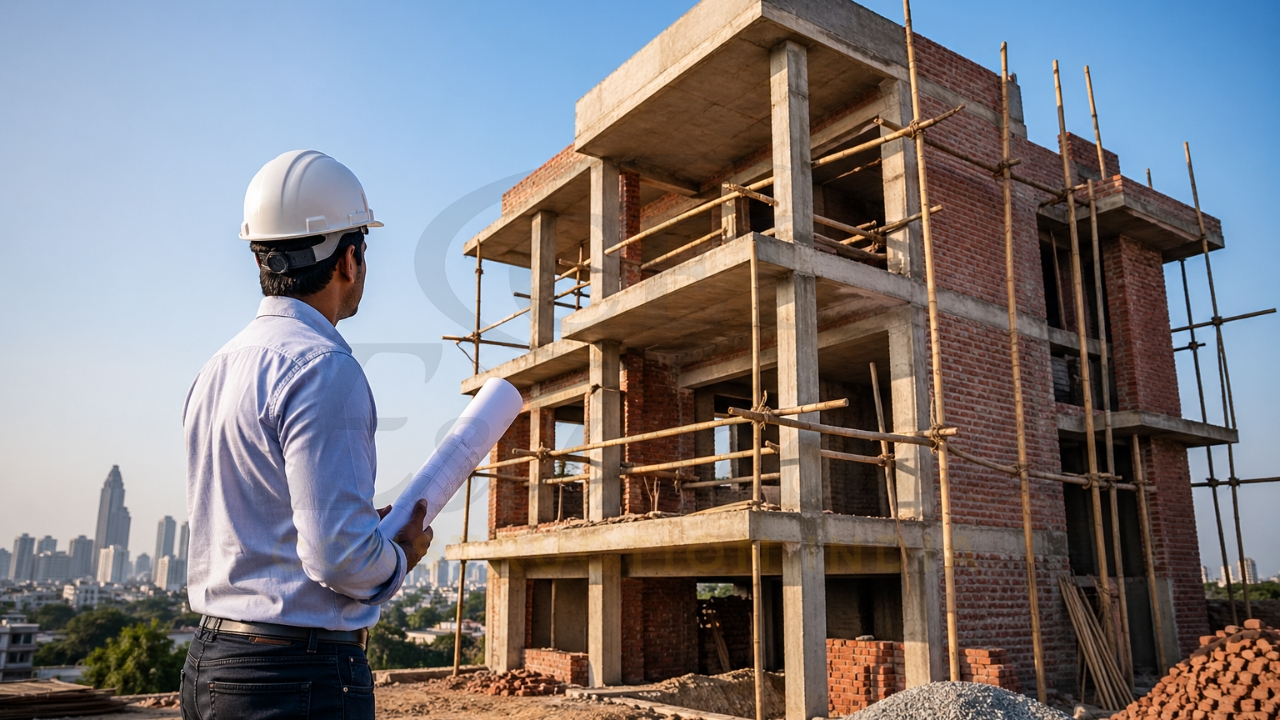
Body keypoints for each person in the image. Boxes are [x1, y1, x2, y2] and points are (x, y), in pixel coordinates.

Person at [180, 150, 432, 719]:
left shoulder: (217, 367)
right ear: (349, 259)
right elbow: (338, 557)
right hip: (293, 677)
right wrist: (397, 555)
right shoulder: (324, 369)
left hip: (212, 666)